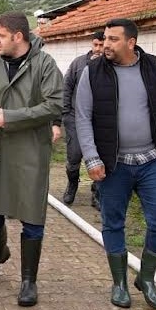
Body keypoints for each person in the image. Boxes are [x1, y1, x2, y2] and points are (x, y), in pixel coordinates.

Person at [75, 18, 156, 310]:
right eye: (105, 38)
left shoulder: (152, 66)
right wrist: (92, 158)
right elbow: (82, 118)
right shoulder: (92, 72)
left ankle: (146, 278)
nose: (106, 44)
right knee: (113, 222)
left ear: (131, 43)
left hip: (152, 160)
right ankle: (119, 282)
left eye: (113, 39)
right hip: (113, 164)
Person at [0, 12, 63, 307]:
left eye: (1, 36)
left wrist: (14, 118)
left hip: (30, 150)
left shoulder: (45, 65)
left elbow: (55, 104)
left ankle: (28, 281)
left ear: (18, 37)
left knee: (32, 217)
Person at [61, 31, 105, 209]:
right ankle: (72, 184)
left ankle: (97, 192)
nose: (99, 49)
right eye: (96, 45)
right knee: (75, 155)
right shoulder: (78, 64)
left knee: (101, 157)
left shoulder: (110, 66)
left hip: (101, 121)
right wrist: (65, 114)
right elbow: (66, 87)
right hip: (76, 119)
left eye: (102, 45)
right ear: (91, 44)